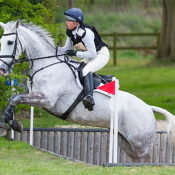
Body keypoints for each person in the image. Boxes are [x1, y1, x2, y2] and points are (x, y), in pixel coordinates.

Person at [61, 8, 110, 111]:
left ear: (77, 22)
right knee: (77, 69)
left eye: (70, 21)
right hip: (90, 55)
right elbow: (66, 49)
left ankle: (90, 98)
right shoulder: (70, 32)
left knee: (86, 70)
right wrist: (53, 51)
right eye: (67, 20)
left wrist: (75, 53)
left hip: (101, 54)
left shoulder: (85, 32)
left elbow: (92, 54)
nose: (67, 22)